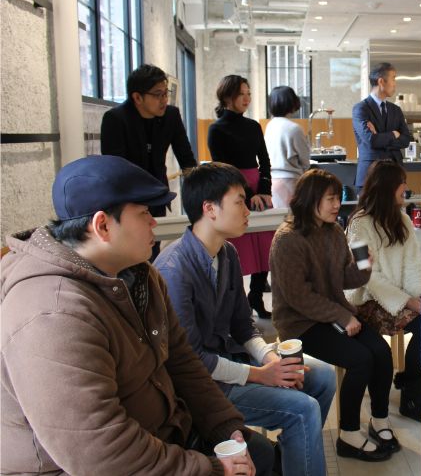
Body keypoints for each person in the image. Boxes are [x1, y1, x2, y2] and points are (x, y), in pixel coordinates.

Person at [0, 155, 271, 475]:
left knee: (261, 455)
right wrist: (211, 468)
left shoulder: (138, 275)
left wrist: (224, 426)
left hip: (162, 434)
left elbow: (183, 362)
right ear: (103, 226)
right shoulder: (53, 314)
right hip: (76, 467)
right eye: (144, 213)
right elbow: (100, 452)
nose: (154, 223)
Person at [155, 162, 336, 476]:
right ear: (210, 209)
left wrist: (270, 359)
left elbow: (243, 324)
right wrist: (260, 374)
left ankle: (291, 457)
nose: (248, 209)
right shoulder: (175, 269)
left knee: (322, 377)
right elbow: (193, 361)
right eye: (239, 201)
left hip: (229, 360)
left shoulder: (227, 253)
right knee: (303, 409)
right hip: (202, 386)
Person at [270, 169, 398, 462]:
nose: (337, 204)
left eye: (337, 198)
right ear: (311, 198)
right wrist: (342, 316)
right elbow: (298, 297)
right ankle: (349, 434)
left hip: (332, 314)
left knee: (381, 351)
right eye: (330, 199)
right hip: (300, 323)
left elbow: (344, 279)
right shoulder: (287, 239)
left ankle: (379, 419)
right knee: (360, 359)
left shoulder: (334, 231)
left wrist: (364, 265)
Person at [344, 160, 421, 421]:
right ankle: (411, 393)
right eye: (402, 182)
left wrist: (420, 297)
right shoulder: (358, 224)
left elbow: (413, 265)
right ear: (387, 187)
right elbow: (367, 276)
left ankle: (411, 385)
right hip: (366, 300)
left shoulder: (402, 219)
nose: (406, 187)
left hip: (397, 297)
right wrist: (408, 302)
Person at [101, 63, 198, 259]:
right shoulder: (116, 119)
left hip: (157, 194)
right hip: (127, 199)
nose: (164, 100)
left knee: (152, 249)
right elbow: (114, 168)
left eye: (166, 93)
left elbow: (186, 157)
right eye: (157, 95)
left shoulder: (171, 115)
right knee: (129, 254)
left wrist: (200, 189)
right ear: (137, 97)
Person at [208, 75, 273, 319]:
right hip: (232, 190)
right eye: (241, 94)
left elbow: (264, 161)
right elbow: (223, 168)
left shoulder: (253, 126)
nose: (247, 98)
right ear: (227, 97)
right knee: (237, 249)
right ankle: (236, 304)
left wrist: (264, 190)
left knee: (265, 247)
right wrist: (249, 194)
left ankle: (255, 296)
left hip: (258, 190)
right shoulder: (216, 129)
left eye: (248, 93)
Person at [352, 62, 412, 189]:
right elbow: (371, 140)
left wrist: (380, 137)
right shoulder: (361, 109)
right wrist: (394, 134)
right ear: (381, 81)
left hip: (395, 175)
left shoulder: (396, 110)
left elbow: (406, 139)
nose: (395, 84)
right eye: (393, 78)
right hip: (370, 176)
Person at [263, 86, 310, 209]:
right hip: (290, 181)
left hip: (272, 180)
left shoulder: (270, 125)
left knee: (278, 218)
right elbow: (305, 160)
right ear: (292, 102)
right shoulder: (294, 128)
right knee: (292, 218)